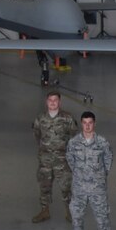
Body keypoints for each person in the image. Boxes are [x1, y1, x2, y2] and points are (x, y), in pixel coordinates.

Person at [66, 111, 114, 230]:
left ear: (94, 124)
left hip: (97, 188)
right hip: (79, 187)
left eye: (90, 123)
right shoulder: (73, 143)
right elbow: (70, 160)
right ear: (81, 124)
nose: (87, 126)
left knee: (102, 217)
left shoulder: (102, 142)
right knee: (76, 217)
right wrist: (80, 174)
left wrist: (100, 175)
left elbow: (108, 159)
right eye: (84, 123)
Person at [32, 91, 78, 223]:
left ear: (59, 102)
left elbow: (74, 136)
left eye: (55, 100)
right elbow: (37, 134)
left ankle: (69, 212)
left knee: (66, 187)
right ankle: (44, 211)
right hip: (45, 160)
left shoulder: (67, 118)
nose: (52, 102)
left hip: (62, 160)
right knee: (44, 187)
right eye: (50, 100)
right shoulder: (40, 118)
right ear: (46, 102)